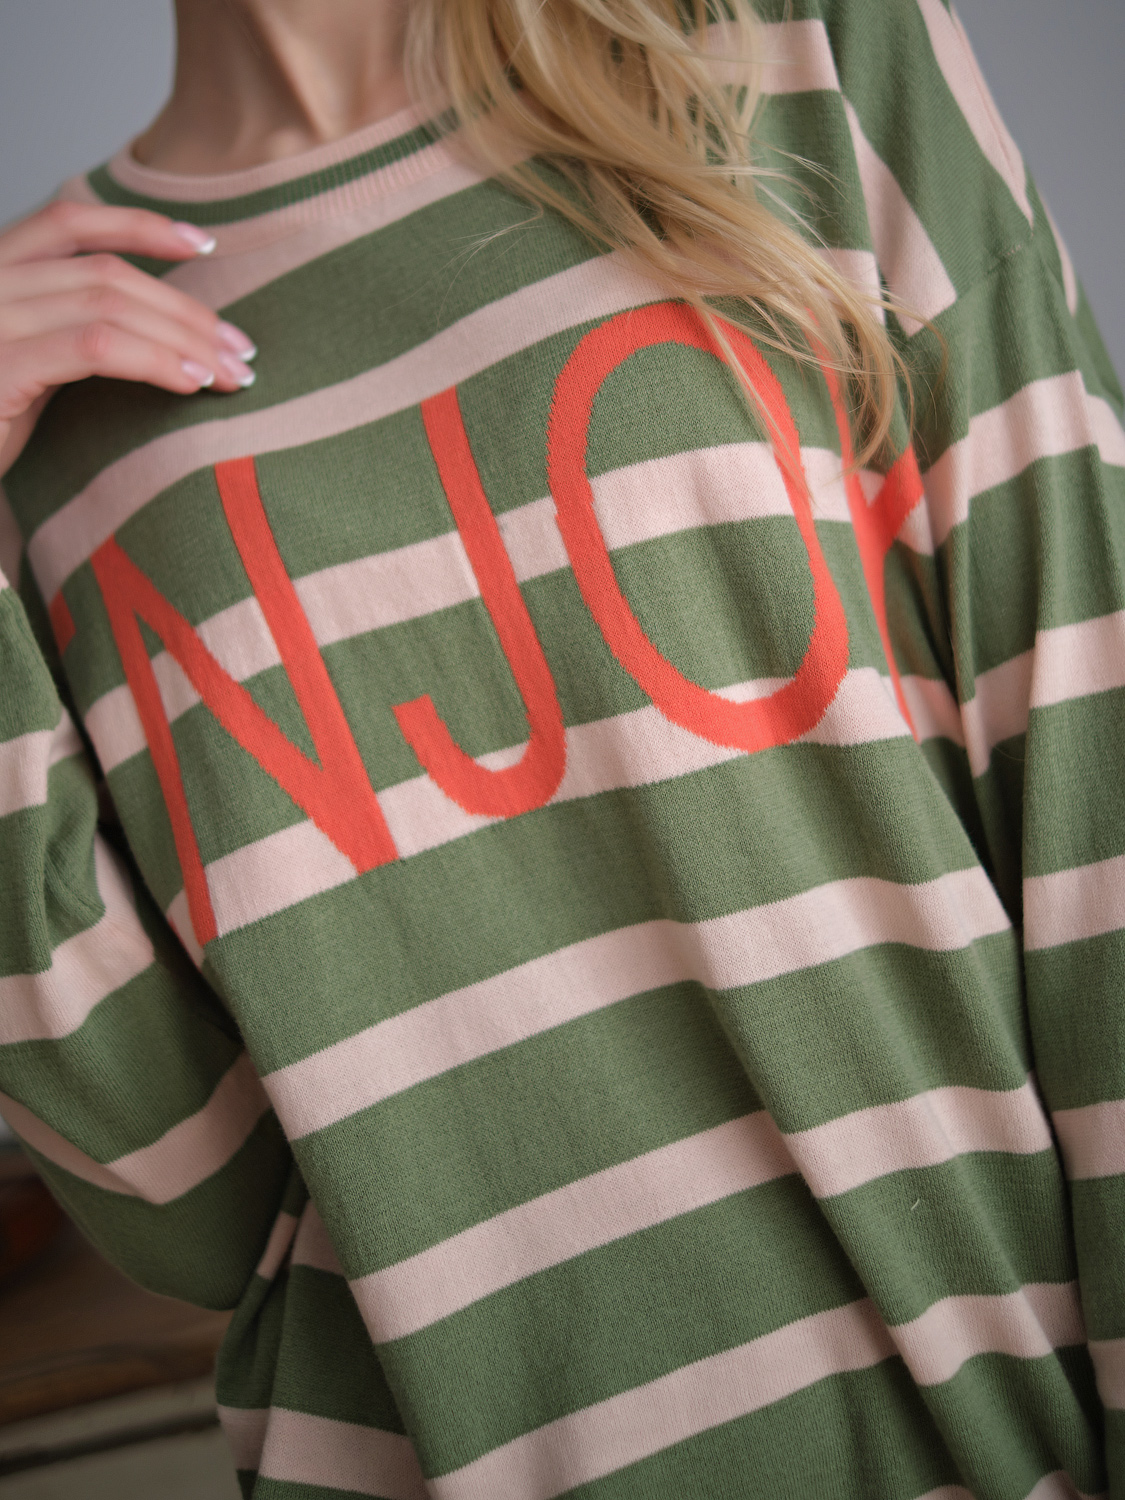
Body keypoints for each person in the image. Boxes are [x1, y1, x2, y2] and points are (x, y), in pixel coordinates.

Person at [1, 0, 1122, 1494]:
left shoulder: (798, 58)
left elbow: (1091, 763)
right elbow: (181, 1200)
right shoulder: (49, 357)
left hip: (980, 1425)